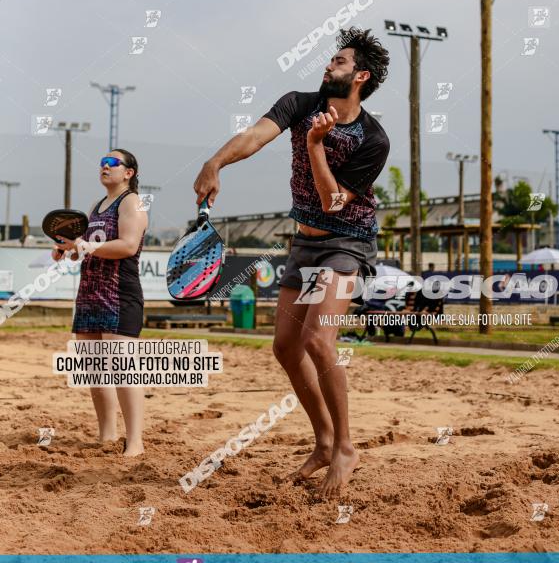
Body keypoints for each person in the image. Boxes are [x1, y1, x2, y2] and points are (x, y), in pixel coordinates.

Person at [194, 28, 390, 495]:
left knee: (319, 341)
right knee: (285, 345)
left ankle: (345, 447)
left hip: (347, 239)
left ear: (360, 76)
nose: (329, 66)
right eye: (331, 60)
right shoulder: (301, 103)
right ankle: (323, 441)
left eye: (340, 62)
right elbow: (254, 136)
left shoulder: (373, 139)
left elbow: (333, 203)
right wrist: (215, 163)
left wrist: (315, 146)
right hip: (305, 244)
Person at [52, 149, 148, 457]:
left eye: (112, 163)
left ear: (128, 172)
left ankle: (135, 442)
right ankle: (107, 436)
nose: (104, 167)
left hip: (119, 293)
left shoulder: (133, 201)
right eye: (102, 163)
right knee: (94, 370)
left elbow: (128, 245)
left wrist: (85, 246)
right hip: (90, 293)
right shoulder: (96, 206)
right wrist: (69, 249)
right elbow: (89, 248)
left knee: (121, 368)